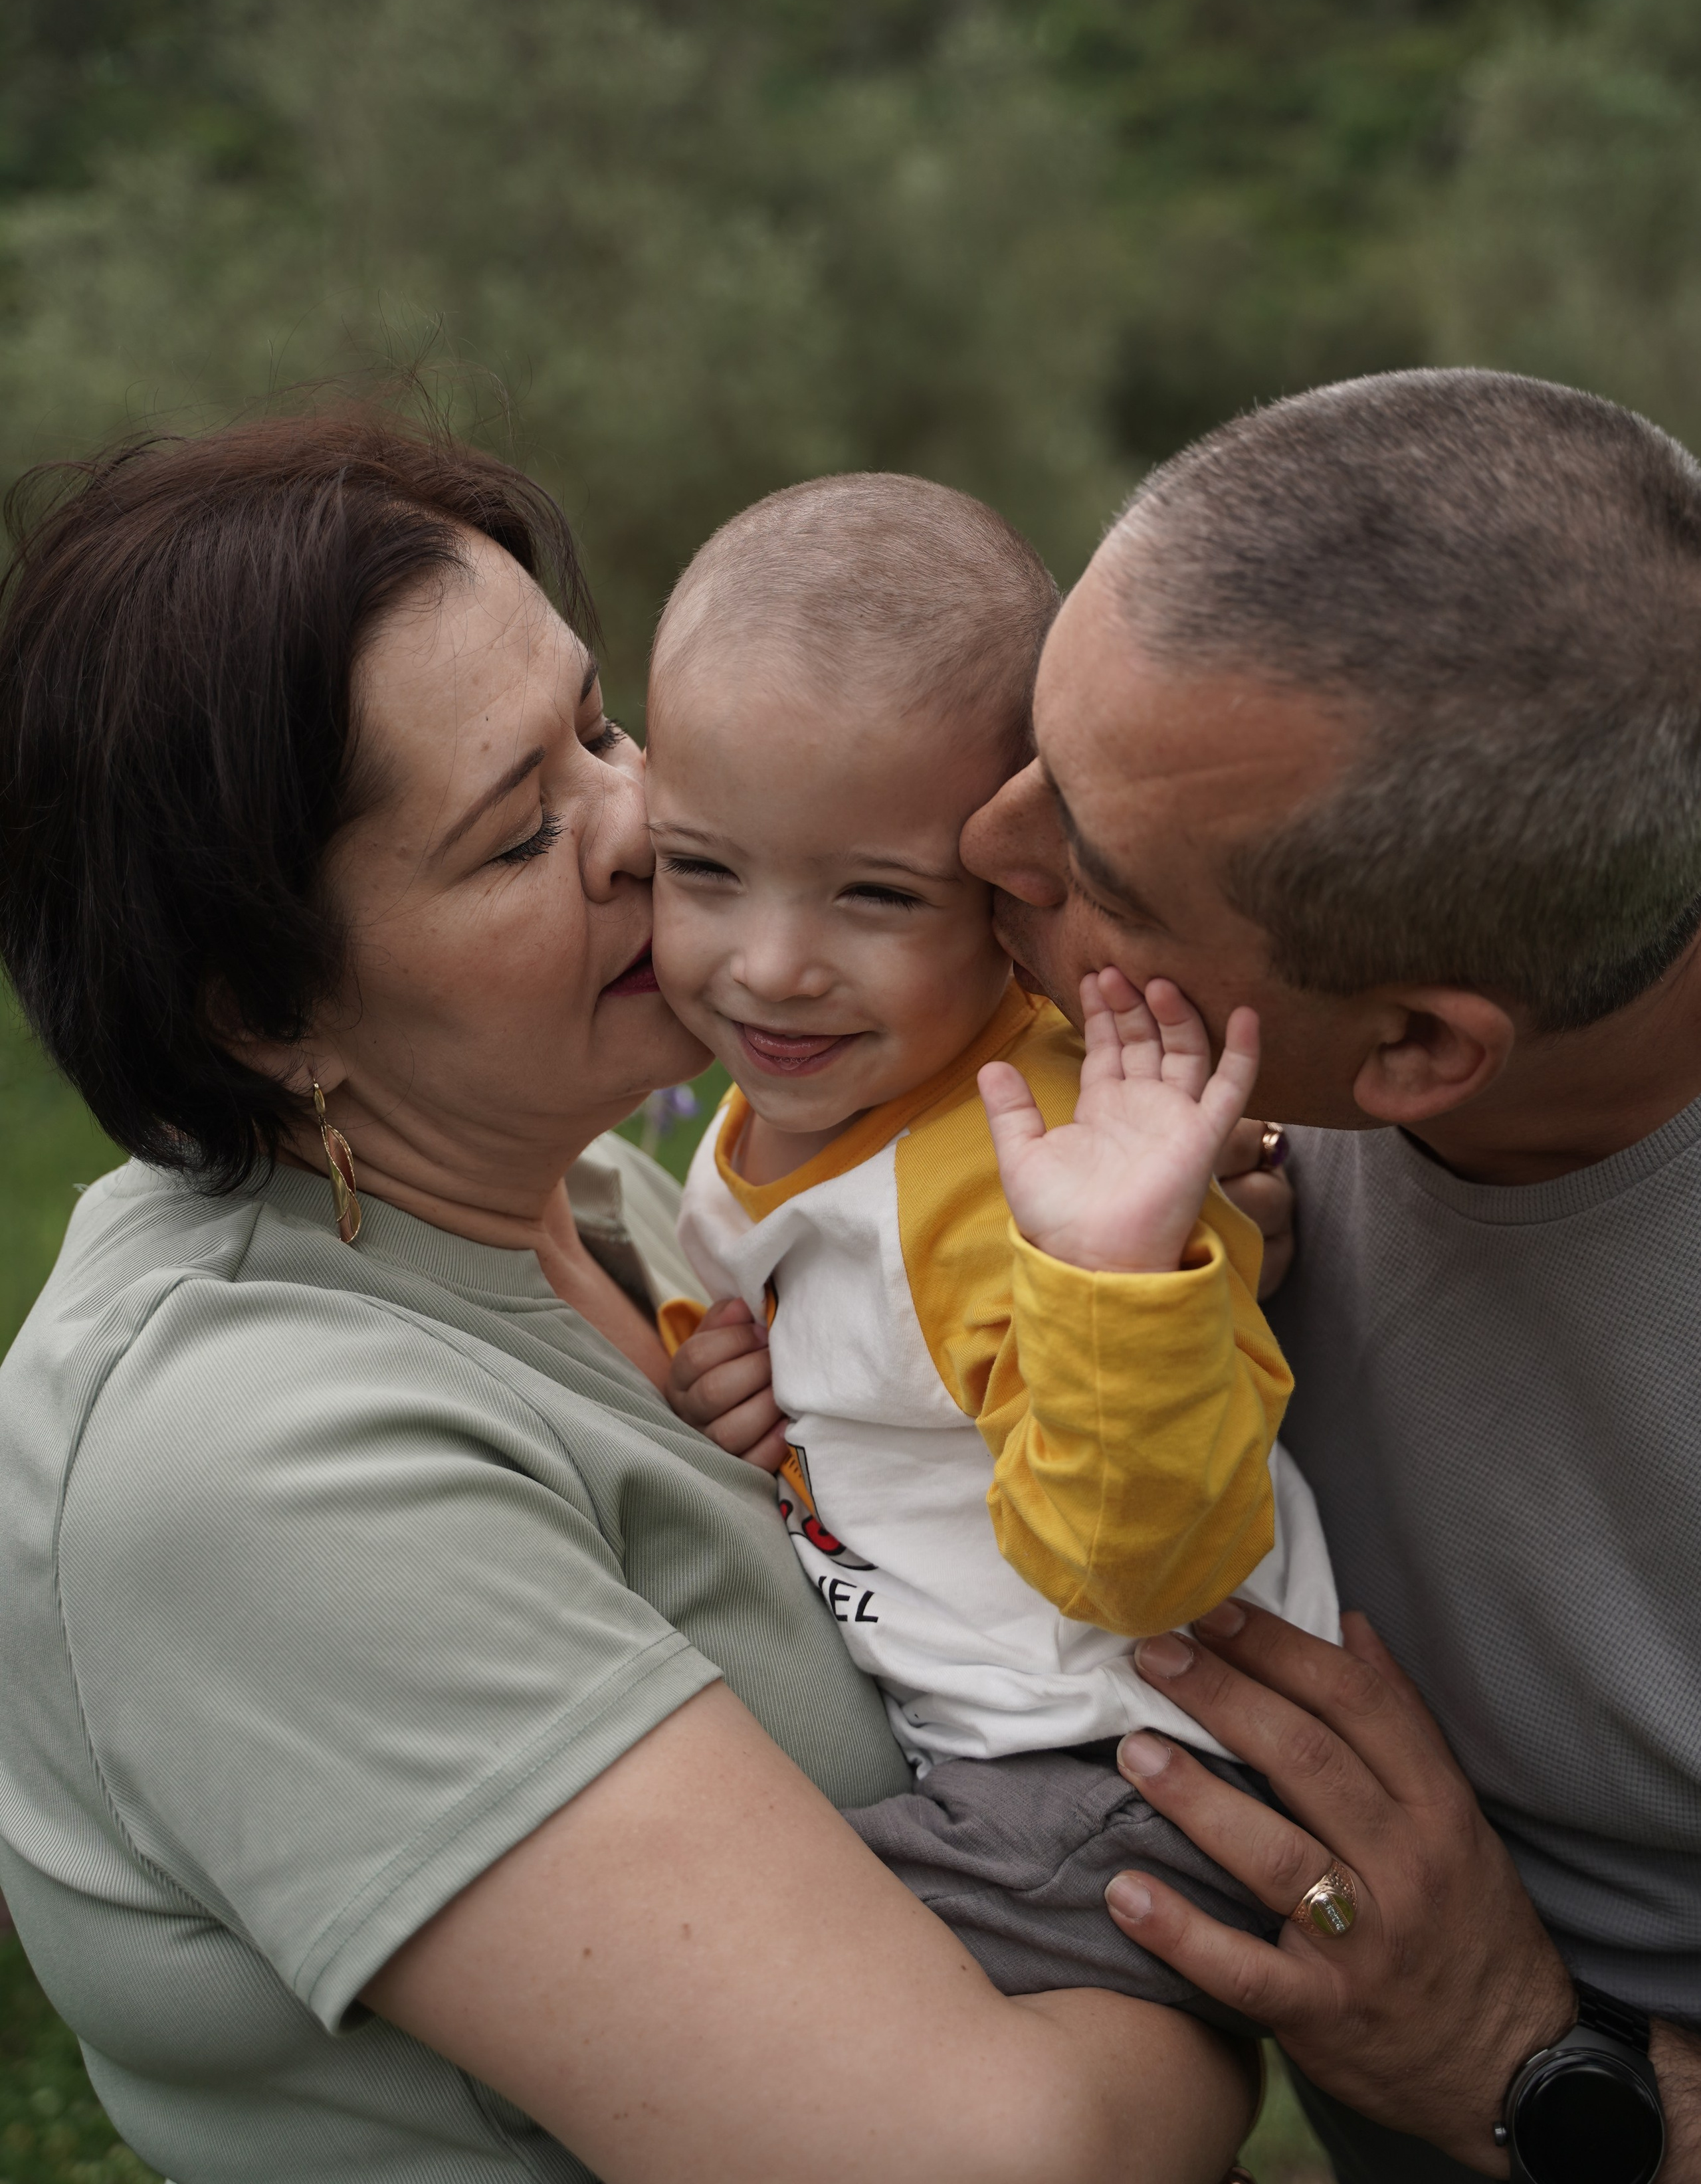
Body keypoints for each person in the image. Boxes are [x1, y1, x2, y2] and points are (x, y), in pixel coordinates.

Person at [0, 413, 1256, 2184]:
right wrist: (1286, 1958)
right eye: (523, 835)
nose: (650, 826)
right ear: (263, 1015)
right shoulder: (244, 1459)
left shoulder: (605, 1198)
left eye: (598, 727)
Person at [959, 368, 1701, 2183]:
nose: (984, 845)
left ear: (1414, 1054)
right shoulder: (1214, 1058)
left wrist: (1527, 2076)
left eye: (1096, 870)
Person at [646, 472, 1338, 2021]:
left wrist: (1112, 1280)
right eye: (702, 870)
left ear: (1007, 900)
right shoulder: (816, 1103)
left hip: (1113, 1760)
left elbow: (1143, 1559)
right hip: (987, 1732)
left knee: (759, 2017)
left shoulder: (1024, 1175)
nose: (768, 968)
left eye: (874, 897)